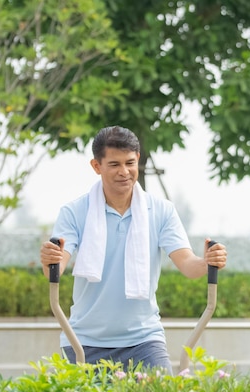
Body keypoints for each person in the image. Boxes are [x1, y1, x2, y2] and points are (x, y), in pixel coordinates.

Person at [39, 125, 227, 375]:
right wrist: (50, 259)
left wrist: (207, 262)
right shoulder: (74, 212)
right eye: (114, 164)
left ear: (138, 159)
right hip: (84, 340)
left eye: (130, 163)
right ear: (97, 166)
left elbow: (188, 265)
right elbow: (57, 266)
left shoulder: (161, 210)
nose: (124, 172)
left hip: (144, 339)